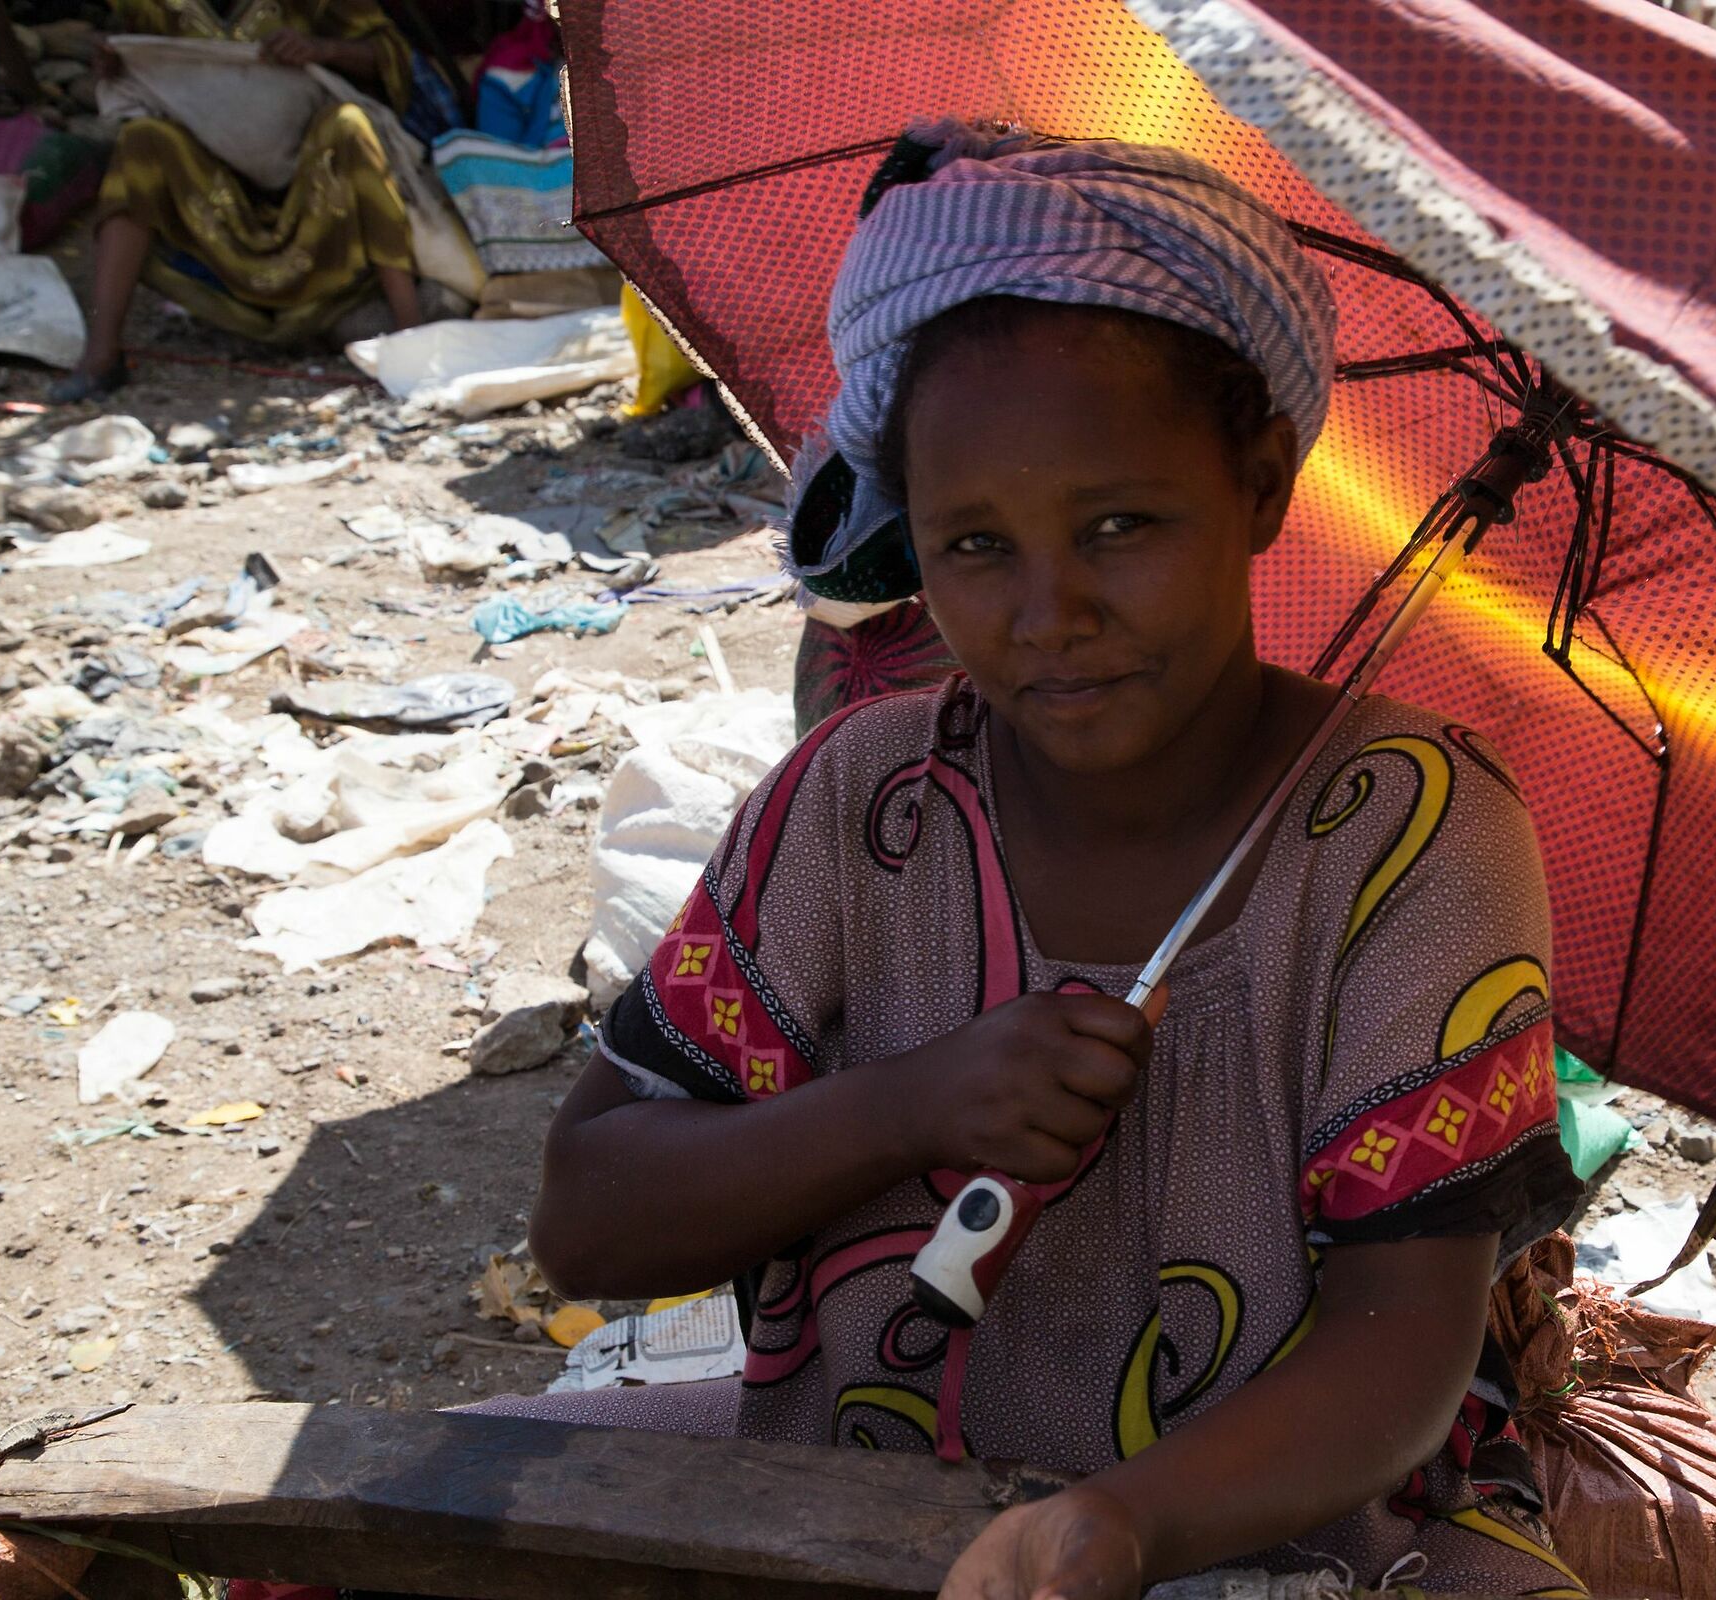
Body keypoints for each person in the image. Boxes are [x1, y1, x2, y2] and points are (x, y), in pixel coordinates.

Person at [511, 125, 1586, 1600]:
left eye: (1121, 525)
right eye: (973, 545)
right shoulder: (859, 801)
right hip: (854, 1515)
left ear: (1264, 484)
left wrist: (1119, 1526)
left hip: (1313, 1546)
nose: (1048, 613)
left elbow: (1403, 1343)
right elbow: (587, 1219)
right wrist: (910, 1104)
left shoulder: (1410, 833)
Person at [53, 0, 424, 401]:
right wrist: (116, 64)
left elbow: (393, 57)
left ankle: (414, 338)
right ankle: (102, 354)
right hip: (215, 193)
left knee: (350, 125)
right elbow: (143, 64)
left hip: (313, 189)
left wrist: (323, 49)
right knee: (140, 142)